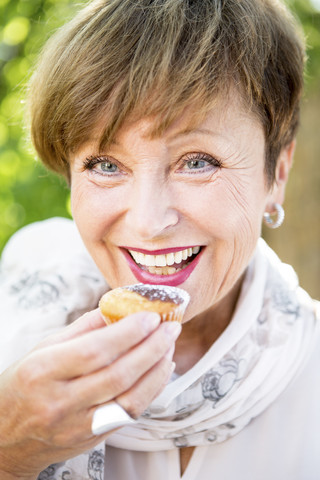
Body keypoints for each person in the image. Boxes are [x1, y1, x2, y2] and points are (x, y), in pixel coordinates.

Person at [0, 0, 319, 478]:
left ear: (277, 172)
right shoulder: (15, 309)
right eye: (105, 165)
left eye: (198, 161)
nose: (148, 222)